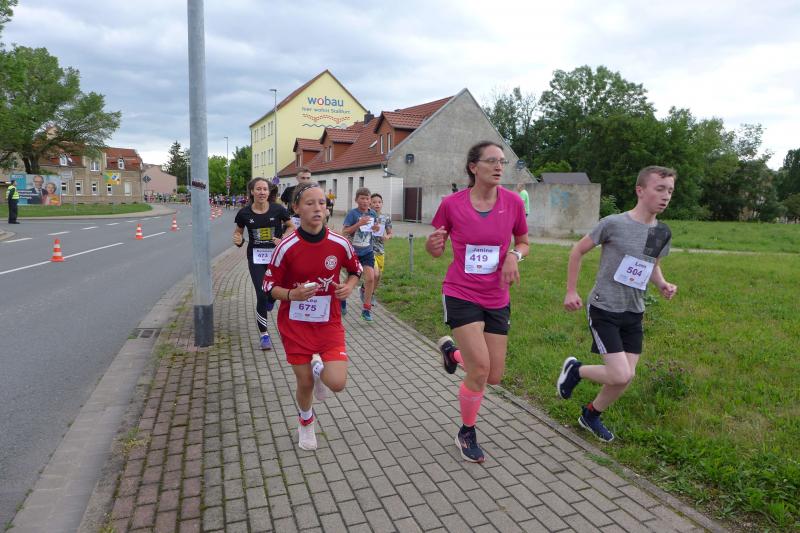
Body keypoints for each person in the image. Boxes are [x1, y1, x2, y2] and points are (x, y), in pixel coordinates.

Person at [557, 165, 678, 443]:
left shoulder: (661, 232)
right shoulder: (614, 223)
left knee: (626, 376)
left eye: (670, 191)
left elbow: (651, 264)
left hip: (634, 311)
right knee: (619, 373)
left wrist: (662, 284)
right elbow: (577, 251)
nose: (666, 196)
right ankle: (576, 370)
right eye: (660, 189)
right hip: (605, 308)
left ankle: (590, 414)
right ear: (640, 190)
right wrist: (571, 291)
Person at [426, 141, 529, 463]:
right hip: (461, 292)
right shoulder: (451, 204)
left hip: (497, 294)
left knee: (493, 376)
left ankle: (452, 353)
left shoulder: (513, 203)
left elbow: (524, 242)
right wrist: (433, 245)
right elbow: (435, 249)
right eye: (491, 161)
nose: (499, 167)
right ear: (474, 167)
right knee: (480, 369)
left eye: (502, 161)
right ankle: (466, 432)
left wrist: (514, 256)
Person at [263, 182, 362, 451]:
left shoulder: (340, 243)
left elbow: (356, 270)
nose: (318, 208)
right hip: (295, 324)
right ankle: (306, 421)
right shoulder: (286, 246)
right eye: (310, 203)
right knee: (304, 382)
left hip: (328, 322)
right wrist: (291, 294)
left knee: (337, 383)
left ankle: (319, 369)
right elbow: (268, 286)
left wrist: (349, 286)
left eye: (322, 203)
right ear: (296, 208)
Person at [233, 178, 294, 350]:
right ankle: (264, 335)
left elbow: (291, 227)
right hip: (256, 258)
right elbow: (238, 233)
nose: (262, 192)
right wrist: (238, 240)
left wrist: (283, 239)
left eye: (265, 189)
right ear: (252, 192)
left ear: (269, 192)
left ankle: (271, 298)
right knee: (261, 294)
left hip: (276, 258)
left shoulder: (278, 209)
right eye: (258, 189)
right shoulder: (244, 213)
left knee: (273, 291)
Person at [342, 187, 379, 321]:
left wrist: (376, 228)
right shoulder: (352, 214)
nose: (365, 201)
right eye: (362, 198)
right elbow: (345, 231)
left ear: (370, 201)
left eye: (367, 198)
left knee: (371, 278)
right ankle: (342, 298)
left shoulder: (373, 213)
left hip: (367, 251)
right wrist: (359, 223)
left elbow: (374, 230)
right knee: (351, 279)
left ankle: (366, 309)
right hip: (354, 252)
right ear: (356, 200)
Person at [362, 193, 392, 306]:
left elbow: (390, 233)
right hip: (369, 249)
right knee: (375, 274)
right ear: (370, 204)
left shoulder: (385, 218)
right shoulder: (366, 217)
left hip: (380, 250)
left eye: (379, 202)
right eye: (374, 202)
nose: (377, 204)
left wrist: (387, 237)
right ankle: (368, 296)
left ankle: (368, 291)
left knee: (378, 276)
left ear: (382, 204)